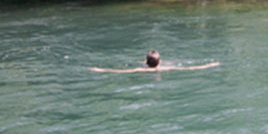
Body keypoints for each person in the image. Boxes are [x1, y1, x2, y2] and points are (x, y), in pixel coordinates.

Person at [91, 51, 219, 73]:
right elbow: (190, 68)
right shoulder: (165, 68)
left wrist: (100, 69)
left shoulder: (142, 70)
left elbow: (120, 71)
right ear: (160, 62)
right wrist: (209, 65)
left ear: (146, 62)